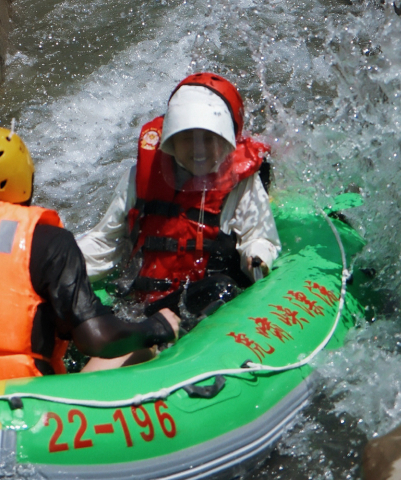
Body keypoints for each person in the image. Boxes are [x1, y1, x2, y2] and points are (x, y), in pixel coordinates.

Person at [0, 127, 178, 384]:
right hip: (22, 398)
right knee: (142, 351)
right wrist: (155, 327)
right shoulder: (51, 242)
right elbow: (96, 339)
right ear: (27, 179)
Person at [77, 73, 280, 309]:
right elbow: (105, 243)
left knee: (220, 289)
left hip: (209, 298)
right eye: (187, 139)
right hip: (147, 304)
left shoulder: (242, 183)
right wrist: (65, 262)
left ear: (225, 140)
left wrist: (257, 257)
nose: (198, 150)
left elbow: (260, 237)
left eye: (208, 139)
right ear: (171, 138)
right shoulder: (139, 177)